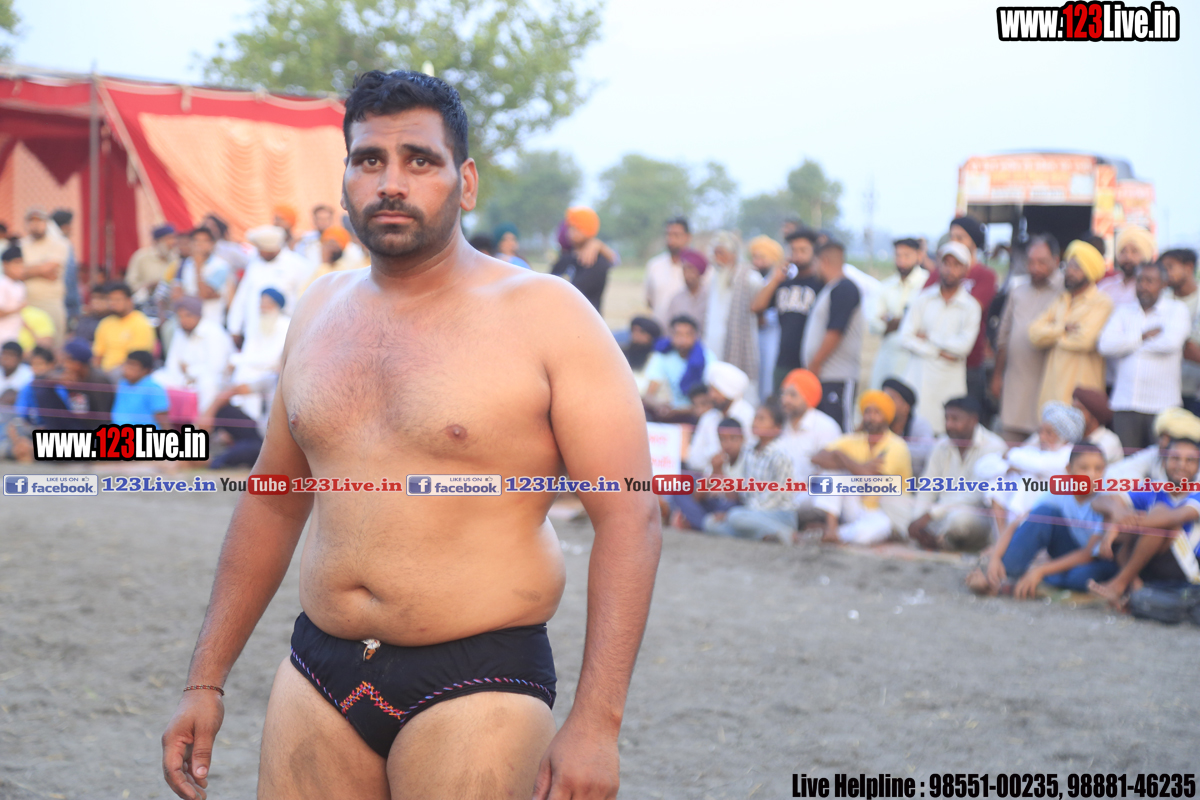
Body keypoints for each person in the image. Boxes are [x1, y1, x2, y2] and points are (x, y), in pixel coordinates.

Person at [161, 69, 660, 800]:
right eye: (370, 160)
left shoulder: (548, 316)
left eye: (419, 160)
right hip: (318, 671)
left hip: (479, 681)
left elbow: (630, 516)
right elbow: (273, 499)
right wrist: (205, 680)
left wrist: (597, 723)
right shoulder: (318, 309)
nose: (391, 183)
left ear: (466, 183)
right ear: (345, 181)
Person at [967, 444, 1113, 598]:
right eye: (1084, 468)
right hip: (1067, 550)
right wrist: (995, 558)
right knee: (1044, 513)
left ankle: (1025, 581)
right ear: (1069, 469)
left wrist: (1040, 570)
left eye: (1098, 469)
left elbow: (1088, 553)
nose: (1091, 475)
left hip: (1094, 559)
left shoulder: (1106, 499)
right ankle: (1001, 578)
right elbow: (1020, 522)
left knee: (1080, 578)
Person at [1088, 438, 1200, 608]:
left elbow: (1175, 517)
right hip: (1151, 562)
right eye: (1175, 458)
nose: (1181, 465)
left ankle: (1119, 585)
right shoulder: (1154, 488)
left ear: (1198, 466)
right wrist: (1118, 514)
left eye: (1190, 460)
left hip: (1186, 567)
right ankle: (1134, 586)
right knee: (1114, 514)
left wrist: (1116, 527)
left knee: (1159, 515)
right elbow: (1099, 501)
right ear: (1164, 462)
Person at [1098, 262, 1189, 451]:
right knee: (1126, 463)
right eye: (1139, 280)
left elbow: (1170, 343)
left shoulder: (1176, 310)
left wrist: (1126, 346)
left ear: (1163, 284)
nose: (1143, 286)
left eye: (1150, 281)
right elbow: (1105, 345)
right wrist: (1142, 337)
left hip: (1163, 405)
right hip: (1125, 403)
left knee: (1160, 463)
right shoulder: (1123, 311)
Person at [898, 242, 981, 435]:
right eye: (946, 263)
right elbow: (905, 337)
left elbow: (963, 347)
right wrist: (938, 352)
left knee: (947, 433)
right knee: (917, 433)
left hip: (949, 385)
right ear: (939, 265)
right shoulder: (923, 299)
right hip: (919, 380)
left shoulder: (970, 307)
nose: (950, 270)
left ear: (965, 269)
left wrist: (929, 338)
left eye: (956, 265)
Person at [810, 390, 913, 545]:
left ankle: (834, 534)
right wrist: (857, 466)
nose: (871, 417)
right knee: (832, 474)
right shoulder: (854, 440)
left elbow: (873, 481)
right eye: (867, 412)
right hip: (857, 506)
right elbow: (817, 458)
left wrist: (844, 459)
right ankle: (831, 528)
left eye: (877, 412)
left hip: (883, 512)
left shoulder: (897, 445)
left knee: (866, 535)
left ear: (886, 416)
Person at [908, 396, 1007, 552]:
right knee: (903, 511)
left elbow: (975, 495)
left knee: (960, 520)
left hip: (976, 517)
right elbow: (927, 487)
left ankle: (943, 540)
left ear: (973, 420)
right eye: (946, 419)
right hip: (940, 515)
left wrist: (930, 515)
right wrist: (918, 521)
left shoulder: (994, 446)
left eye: (955, 419)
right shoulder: (941, 445)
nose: (949, 425)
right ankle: (938, 540)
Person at [992, 234, 1065, 443]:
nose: (1035, 268)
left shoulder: (1065, 291)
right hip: (1015, 383)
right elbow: (1004, 336)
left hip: (1048, 384)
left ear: (1056, 260)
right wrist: (997, 376)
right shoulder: (1018, 291)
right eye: (1030, 262)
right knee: (1010, 445)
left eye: (1041, 262)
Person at [922, 216, 997, 412]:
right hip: (934, 362)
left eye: (960, 237)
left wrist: (930, 338)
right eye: (952, 237)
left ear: (974, 242)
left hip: (968, 361)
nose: (954, 242)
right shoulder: (937, 273)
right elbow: (921, 307)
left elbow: (971, 310)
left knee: (963, 417)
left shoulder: (985, 275)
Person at [1028, 239, 1114, 409]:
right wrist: (1064, 329)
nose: (1069, 272)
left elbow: (1085, 340)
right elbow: (1033, 334)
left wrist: (1051, 335)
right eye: (1068, 266)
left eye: (1076, 267)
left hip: (1082, 397)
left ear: (1090, 271)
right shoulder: (1061, 300)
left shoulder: (1102, 303)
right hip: (1052, 393)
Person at [703, 401, 800, 543]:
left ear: (776, 428)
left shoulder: (781, 455)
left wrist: (740, 513)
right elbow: (745, 491)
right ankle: (766, 535)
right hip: (751, 514)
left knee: (735, 517)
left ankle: (788, 534)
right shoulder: (749, 452)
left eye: (761, 419)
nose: (755, 423)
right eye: (755, 418)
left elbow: (774, 497)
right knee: (710, 523)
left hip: (779, 514)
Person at [751, 228, 822, 393]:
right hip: (783, 362)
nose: (798, 255)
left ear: (814, 252)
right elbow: (756, 307)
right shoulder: (784, 284)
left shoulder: (820, 284)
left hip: (810, 362)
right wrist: (775, 278)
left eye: (803, 250)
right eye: (794, 250)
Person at [802, 240, 863, 431]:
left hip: (838, 377)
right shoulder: (830, 288)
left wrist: (815, 363)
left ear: (824, 261)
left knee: (838, 430)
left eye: (815, 263)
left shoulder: (845, 288)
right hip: (824, 376)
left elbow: (836, 331)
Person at [775, 368, 840, 526]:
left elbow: (831, 469)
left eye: (792, 395)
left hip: (812, 496)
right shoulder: (780, 425)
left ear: (808, 397)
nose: (785, 400)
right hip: (782, 497)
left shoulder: (825, 426)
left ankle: (830, 527)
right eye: (784, 394)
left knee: (831, 474)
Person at [703, 231, 762, 402]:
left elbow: (760, 310)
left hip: (740, 345)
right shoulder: (714, 276)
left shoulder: (751, 277)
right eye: (715, 253)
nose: (717, 258)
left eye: (721, 253)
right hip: (714, 345)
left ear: (734, 254)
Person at [226, 226, 309, 346]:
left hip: (284, 330)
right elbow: (242, 297)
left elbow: (304, 300)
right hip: (254, 330)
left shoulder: (297, 264)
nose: (258, 252)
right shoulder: (255, 264)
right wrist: (234, 328)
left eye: (261, 249)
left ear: (271, 248)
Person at [866, 237, 930, 389]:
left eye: (907, 255)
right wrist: (909, 323)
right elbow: (873, 324)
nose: (901, 261)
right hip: (888, 356)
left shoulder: (927, 284)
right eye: (898, 255)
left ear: (919, 256)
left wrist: (891, 320)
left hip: (916, 359)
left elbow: (928, 325)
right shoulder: (886, 286)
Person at [156, 296, 236, 414]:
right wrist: (184, 377)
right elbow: (172, 363)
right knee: (157, 379)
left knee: (208, 383)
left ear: (198, 315)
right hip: (185, 379)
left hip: (213, 380)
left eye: (188, 316)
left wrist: (190, 371)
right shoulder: (180, 331)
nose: (184, 320)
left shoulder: (213, 331)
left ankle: (203, 422)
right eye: (180, 316)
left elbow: (217, 367)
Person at [227, 288, 290, 426]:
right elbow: (248, 351)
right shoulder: (255, 322)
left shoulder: (286, 325)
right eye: (262, 303)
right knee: (241, 373)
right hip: (249, 368)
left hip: (270, 372)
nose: (263, 306)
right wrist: (237, 360)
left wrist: (237, 360)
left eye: (268, 303)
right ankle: (238, 424)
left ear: (276, 305)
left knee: (250, 376)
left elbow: (272, 359)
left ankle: (252, 425)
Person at [667, 417, 743, 531]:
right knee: (679, 490)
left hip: (733, 508)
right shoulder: (718, 458)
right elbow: (697, 497)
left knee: (732, 508)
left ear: (742, 439)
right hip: (714, 506)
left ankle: (703, 525)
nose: (727, 444)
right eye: (723, 439)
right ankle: (705, 524)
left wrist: (721, 473)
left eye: (733, 438)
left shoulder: (746, 460)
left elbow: (734, 499)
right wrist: (714, 472)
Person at [685, 361, 756, 471]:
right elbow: (693, 460)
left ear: (729, 391)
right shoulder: (708, 417)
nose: (711, 395)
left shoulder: (748, 415)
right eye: (710, 390)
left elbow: (749, 457)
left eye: (716, 391)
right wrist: (714, 454)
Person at [16, 208, 69, 346]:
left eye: (39, 221)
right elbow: (17, 272)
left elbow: (50, 269)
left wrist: (26, 271)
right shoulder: (19, 245)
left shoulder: (59, 244)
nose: (35, 225)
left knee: (54, 345)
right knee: (28, 344)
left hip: (50, 301)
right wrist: (42, 270)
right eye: (31, 221)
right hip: (26, 303)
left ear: (47, 223)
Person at [643, 315, 707, 416]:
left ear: (695, 336)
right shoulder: (662, 356)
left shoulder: (707, 357)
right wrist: (660, 406)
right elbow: (649, 396)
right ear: (671, 335)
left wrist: (679, 412)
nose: (683, 339)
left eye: (687, 334)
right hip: (667, 414)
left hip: (695, 415)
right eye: (678, 334)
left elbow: (708, 403)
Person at [550, 207, 612, 311]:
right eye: (570, 227)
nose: (571, 232)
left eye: (576, 228)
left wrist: (599, 245)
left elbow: (576, 292)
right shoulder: (566, 258)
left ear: (587, 230)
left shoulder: (596, 261)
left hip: (586, 317)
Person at [1163, 248, 1200, 415]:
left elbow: (1192, 351)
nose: (1166, 273)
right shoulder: (1161, 300)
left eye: (1170, 267)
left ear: (1189, 267)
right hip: (1165, 390)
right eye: (1163, 268)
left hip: (1195, 391)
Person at [747, 235, 784, 395]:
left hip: (772, 331)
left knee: (768, 372)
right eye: (755, 257)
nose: (757, 262)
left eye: (762, 258)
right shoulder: (750, 277)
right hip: (752, 332)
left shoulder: (777, 278)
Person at [92, 283, 157, 375]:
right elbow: (98, 355)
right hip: (104, 373)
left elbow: (137, 360)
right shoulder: (105, 323)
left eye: (117, 300)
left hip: (127, 372)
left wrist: (112, 372)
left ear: (129, 301)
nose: (113, 303)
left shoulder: (140, 323)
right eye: (110, 300)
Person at [176, 227, 233, 326]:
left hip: (211, 322)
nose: (199, 245)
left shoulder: (220, 266)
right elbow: (176, 295)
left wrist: (198, 267)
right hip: (188, 324)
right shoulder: (186, 264)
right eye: (196, 241)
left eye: (204, 241)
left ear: (212, 244)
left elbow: (203, 294)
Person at [882, 376, 935, 477]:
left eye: (890, 399)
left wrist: (889, 450)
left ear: (906, 407)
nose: (885, 404)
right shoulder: (879, 423)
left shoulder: (920, 424)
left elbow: (924, 453)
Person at [644, 217, 691, 329]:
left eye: (676, 235)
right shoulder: (654, 265)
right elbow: (650, 301)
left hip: (687, 337)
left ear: (688, 237)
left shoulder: (698, 268)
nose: (671, 240)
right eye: (668, 234)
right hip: (659, 331)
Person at [1098, 225, 1156, 308]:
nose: (1128, 257)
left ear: (1146, 255)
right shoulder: (1106, 286)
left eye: (1134, 251)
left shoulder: (1151, 289)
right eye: (1123, 251)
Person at [111, 350, 170, 427]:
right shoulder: (123, 383)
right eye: (127, 364)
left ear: (145, 370)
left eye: (132, 365)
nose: (126, 368)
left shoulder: (154, 389)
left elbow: (163, 421)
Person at [1072, 386, 1124, 464]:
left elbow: (1084, 463)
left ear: (1094, 417)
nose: (1073, 414)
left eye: (1079, 409)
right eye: (1073, 408)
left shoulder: (1109, 440)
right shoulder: (1073, 437)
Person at [126, 224, 178, 300]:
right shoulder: (142, 257)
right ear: (157, 241)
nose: (172, 242)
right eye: (168, 239)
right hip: (145, 301)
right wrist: (147, 287)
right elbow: (130, 283)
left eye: (174, 238)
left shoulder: (176, 259)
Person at [300, 225, 357, 293]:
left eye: (333, 244)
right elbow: (304, 292)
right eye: (326, 244)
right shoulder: (316, 268)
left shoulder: (345, 271)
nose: (327, 248)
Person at [663, 249, 708, 334]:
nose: (687, 274)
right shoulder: (676, 299)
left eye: (691, 270)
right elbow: (668, 327)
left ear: (699, 272)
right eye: (684, 270)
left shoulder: (710, 298)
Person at [51, 209, 81, 328]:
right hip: (63, 301)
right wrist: (74, 308)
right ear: (65, 226)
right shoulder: (62, 244)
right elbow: (69, 278)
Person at [621, 315, 661, 397]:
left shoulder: (656, 358)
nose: (636, 335)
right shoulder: (621, 355)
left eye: (642, 332)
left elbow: (651, 393)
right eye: (634, 330)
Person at [0, 243, 26, 346]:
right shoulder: (2, 284)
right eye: (16, 263)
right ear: (6, 264)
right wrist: (18, 308)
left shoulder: (20, 285)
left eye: (22, 263)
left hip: (15, 335)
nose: (20, 267)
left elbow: (20, 316)